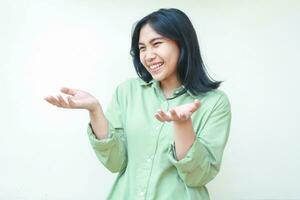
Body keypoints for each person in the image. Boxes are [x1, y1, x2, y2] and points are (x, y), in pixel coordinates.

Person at [44, 8, 231, 200]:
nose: (148, 56)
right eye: (142, 48)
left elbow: (198, 176)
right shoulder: (127, 92)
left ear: (182, 44)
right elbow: (115, 162)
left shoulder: (214, 103)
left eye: (156, 44)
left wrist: (183, 124)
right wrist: (95, 110)